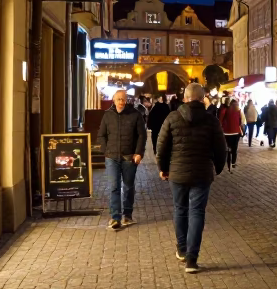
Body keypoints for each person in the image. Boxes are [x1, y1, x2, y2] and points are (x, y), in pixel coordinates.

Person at [156, 83, 226, 274]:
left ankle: (181, 249)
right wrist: (218, 168)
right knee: (197, 212)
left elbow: (161, 145)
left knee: (180, 209)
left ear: (185, 98)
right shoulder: (211, 120)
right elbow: (221, 147)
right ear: (202, 98)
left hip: (177, 172)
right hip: (202, 172)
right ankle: (192, 260)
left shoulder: (172, 117)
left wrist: (162, 167)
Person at [96, 90, 147, 230]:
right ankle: (115, 217)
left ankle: (128, 215)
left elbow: (142, 136)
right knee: (114, 187)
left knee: (129, 186)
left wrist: (138, 153)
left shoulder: (135, 115)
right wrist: (105, 151)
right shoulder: (107, 115)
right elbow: (101, 135)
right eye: (118, 99)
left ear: (127, 100)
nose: (121, 102)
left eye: (123, 99)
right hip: (112, 157)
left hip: (129, 157)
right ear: (113, 100)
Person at [220, 99, 244, 170]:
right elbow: (240, 123)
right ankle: (233, 163)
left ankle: (227, 161)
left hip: (226, 132)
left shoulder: (225, 110)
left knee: (227, 147)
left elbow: (220, 120)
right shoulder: (238, 111)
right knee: (235, 148)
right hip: (236, 132)